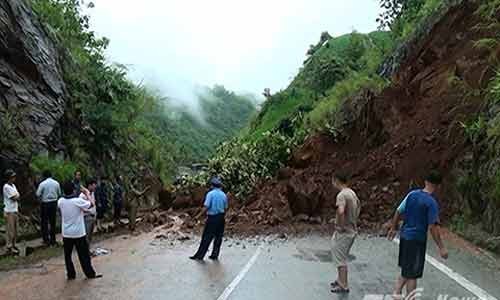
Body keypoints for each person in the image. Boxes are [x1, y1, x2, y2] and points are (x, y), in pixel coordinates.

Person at [388, 170, 448, 299]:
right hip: (417, 240)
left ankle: (400, 293)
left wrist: (393, 228)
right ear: (438, 186)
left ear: (426, 181)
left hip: (405, 237)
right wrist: (441, 247)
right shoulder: (431, 203)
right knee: (413, 272)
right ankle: (400, 293)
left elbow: (398, 211)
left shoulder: (412, 194)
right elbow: (433, 227)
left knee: (408, 269)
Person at [58, 181, 102, 280]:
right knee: (84, 255)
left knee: (67, 255)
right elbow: (91, 204)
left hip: (66, 233)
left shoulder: (60, 201)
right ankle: (90, 273)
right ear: (73, 190)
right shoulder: (77, 201)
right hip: (78, 233)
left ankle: (71, 274)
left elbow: (60, 211)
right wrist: (87, 193)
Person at [329, 172, 361, 294]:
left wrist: (341, 225)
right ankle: (339, 279)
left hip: (344, 232)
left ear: (336, 180)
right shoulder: (351, 193)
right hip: (351, 229)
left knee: (341, 258)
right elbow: (358, 207)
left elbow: (341, 211)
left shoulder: (341, 195)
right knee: (337, 253)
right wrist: (351, 219)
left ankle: (344, 284)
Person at [190, 177, 228, 261]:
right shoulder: (224, 195)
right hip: (221, 218)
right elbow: (226, 208)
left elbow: (206, 207)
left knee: (207, 237)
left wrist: (198, 216)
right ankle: (215, 254)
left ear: (212, 185)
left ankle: (200, 255)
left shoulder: (210, 194)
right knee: (218, 237)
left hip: (212, 218)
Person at [36, 170, 61, 246]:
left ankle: (46, 239)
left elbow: (38, 194)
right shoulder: (56, 183)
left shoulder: (42, 184)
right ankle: (53, 239)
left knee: (44, 222)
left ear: (44, 176)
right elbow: (59, 193)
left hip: (45, 203)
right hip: (54, 203)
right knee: (52, 222)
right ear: (51, 175)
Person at [3, 169, 20, 255]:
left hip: (15, 209)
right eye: (12, 177)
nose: (14, 178)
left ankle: (14, 245)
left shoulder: (13, 185)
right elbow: (14, 197)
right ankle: (9, 246)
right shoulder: (6, 187)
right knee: (10, 230)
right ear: (9, 178)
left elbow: (17, 195)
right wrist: (17, 196)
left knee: (15, 229)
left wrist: (17, 196)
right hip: (9, 210)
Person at [79, 179, 97, 250]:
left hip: (92, 216)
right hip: (86, 217)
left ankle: (88, 249)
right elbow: (82, 207)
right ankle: (85, 251)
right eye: (93, 185)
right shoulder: (82, 196)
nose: (95, 187)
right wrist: (89, 211)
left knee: (90, 235)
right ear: (89, 185)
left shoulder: (92, 193)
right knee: (86, 235)